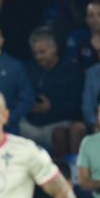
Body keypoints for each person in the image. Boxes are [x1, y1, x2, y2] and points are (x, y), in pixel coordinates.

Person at [22, 26, 85, 157]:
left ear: (54, 48)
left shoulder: (71, 70)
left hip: (59, 121)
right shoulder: (28, 68)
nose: (39, 57)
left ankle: (67, 170)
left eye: (42, 52)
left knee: (61, 133)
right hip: (31, 123)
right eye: (35, 53)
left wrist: (51, 107)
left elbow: (75, 104)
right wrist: (29, 105)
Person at [67, 1, 100, 70]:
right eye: (91, 15)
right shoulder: (77, 37)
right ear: (86, 20)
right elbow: (71, 64)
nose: (95, 19)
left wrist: (99, 49)